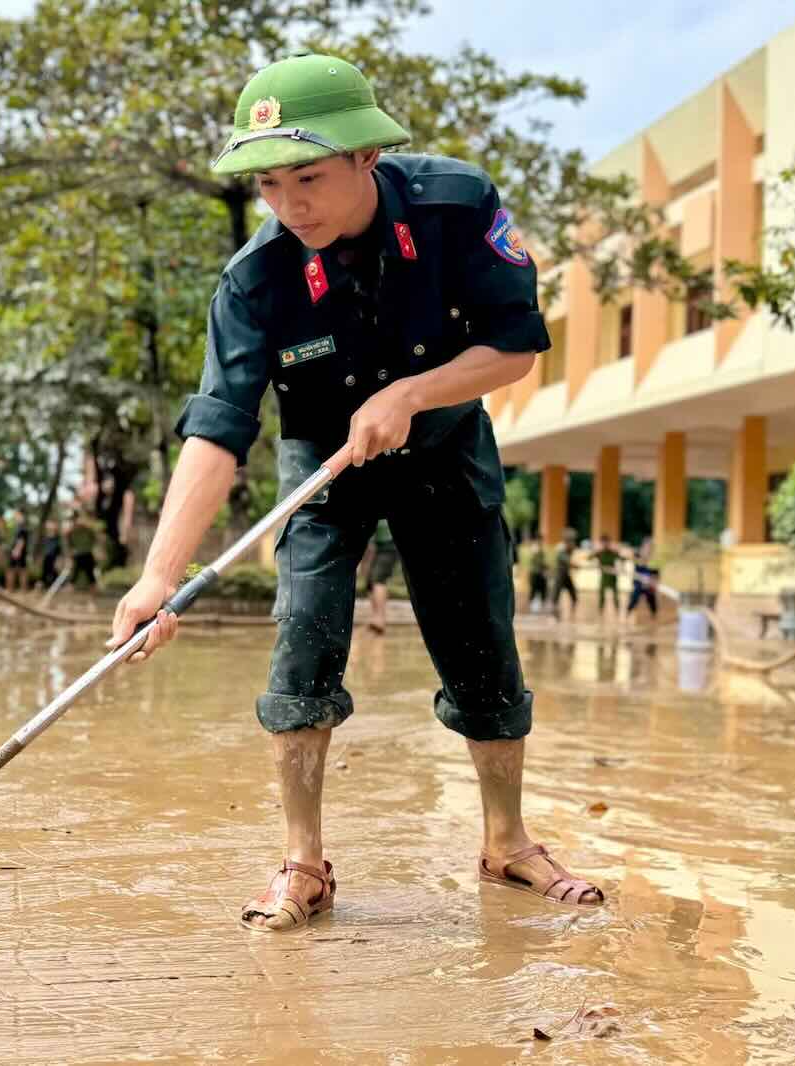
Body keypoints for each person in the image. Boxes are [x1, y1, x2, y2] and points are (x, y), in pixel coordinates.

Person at [106, 54, 603, 931]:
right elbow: (218, 429)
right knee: (303, 641)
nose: (291, 205)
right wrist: (158, 577)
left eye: (310, 178)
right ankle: (305, 863)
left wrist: (410, 394)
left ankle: (507, 841)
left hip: (445, 443)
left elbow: (518, 346)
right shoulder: (255, 281)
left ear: (368, 158)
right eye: (269, 184)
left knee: (479, 636)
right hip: (321, 467)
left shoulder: (457, 206)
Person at [365, 518, 399, 634]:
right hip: (380, 546)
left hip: (389, 546)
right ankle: (376, 616)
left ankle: (380, 619)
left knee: (378, 580)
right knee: (370, 583)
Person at [627, 538, 660, 622]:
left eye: (650, 547)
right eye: (647, 546)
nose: (649, 548)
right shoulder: (638, 555)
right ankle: (628, 613)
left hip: (649, 584)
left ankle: (654, 616)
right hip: (639, 582)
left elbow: (656, 573)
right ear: (643, 546)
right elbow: (636, 566)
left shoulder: (654, 559)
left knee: (651, 599)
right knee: (634, 597)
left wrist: (653, 581)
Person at [66, 509, 99, 589]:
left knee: (90, 574)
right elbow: (70, 544)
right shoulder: (70, 532)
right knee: (74, 574)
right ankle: (70, 591)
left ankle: (94, 592)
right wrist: (70, 555)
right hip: (77, 554)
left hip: (87, 553)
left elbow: (94, 538)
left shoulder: (87, 529)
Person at [551, 531, 579, 623]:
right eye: (570, 541)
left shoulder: (570, 550)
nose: (572, 543)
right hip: (559, 575)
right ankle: (554, 616)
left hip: (566, 575)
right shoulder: (561, 551)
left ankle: (572, 616)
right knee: (555, 597)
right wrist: (576, 565)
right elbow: (569, 562)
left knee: (574, 595)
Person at [594, 535, 622, 621]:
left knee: (616, 597)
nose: (605, 544)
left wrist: (619, 569)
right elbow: (589, 559)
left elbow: (622, 560)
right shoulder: (599, 553)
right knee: (602, 597)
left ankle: (618, 615)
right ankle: (600, 615)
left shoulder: (614, 553)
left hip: (613, 578)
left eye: (607, 542)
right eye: (603, 542)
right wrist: (600, 566)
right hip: (604, 578)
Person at [6, 513, 32, 592]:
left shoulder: (22, 528)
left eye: (18, 516)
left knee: (18, 570)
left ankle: (17, 589)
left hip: (18, 552)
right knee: (19, 569)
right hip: (17, 552)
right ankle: (14, 589)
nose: (16, 517)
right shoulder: (18, 528)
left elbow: (21, 541)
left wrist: (17, 550)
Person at [524, 536, 550, 613]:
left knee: (543, 589)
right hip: (535, 573)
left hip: (541, 573)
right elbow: (533, 561)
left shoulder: (542, 550)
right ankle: (530, 605)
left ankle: (543, 605)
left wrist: (546, 568)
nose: (540, 542)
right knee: (534, 589)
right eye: (539, 540)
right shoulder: (534, 549)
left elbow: (543, 562)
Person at [39, 518, 64, 588]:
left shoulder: (58, 537)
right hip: (47, 556)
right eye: (48, 524)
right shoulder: (44, 537)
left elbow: (60, 549)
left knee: (54, 572)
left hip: (55, 557)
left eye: (51, 524)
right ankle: (43, 585)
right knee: (45, 572)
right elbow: (42, 548)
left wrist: (59, 559)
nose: (49, 526)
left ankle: (58, 586)